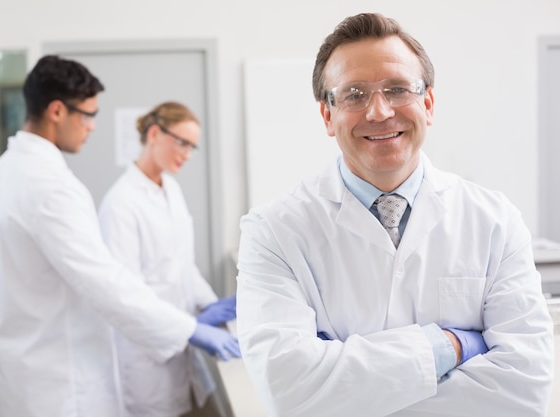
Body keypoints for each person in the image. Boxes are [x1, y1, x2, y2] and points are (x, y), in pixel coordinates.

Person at [236, 12, 554, 417]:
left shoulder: (494, 220)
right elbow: (288, 390)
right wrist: (449, 346)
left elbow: (525, 389)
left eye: (398, 88)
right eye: (354, 93)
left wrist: (346, 390)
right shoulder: (274, 232)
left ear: (429, 102)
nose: (379, 111)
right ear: (327, 116)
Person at [0, 55, 240, 417]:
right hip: (63, 384)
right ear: (56, 111)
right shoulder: (50, 187)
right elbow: (109, 285)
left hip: (24, 375)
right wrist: (190, 329)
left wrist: (202, 311)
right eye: (88, 115)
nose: (93, 127)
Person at [97, 101, 237, 417]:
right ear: (155, 134)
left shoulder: (171, 189)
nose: (187, 154)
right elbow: (125, 297)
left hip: (182, 345)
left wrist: (211, 305)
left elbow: (181, 263)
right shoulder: (120, 204)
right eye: (182, 143)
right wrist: (190, 328)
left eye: (192, 147)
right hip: (148, 354)